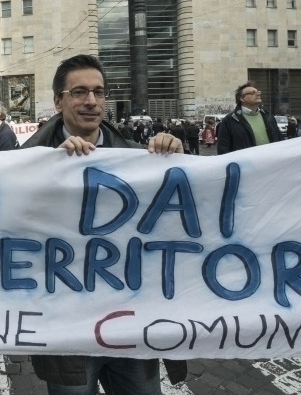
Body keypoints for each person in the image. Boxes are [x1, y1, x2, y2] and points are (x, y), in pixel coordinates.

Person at [21, 54, 187, 395]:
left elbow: (176, 223)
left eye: (98, 92)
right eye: (79, 92)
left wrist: (179, 163)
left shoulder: (140, 157)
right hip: (67, 323)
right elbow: (11, 229)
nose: (91, 101)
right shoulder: (24, 163)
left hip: (132, 318)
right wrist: (52, 169)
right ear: (58, 101)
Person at [216, 82, 284, 154]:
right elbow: (223, 149)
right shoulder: (229, 120)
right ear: (242, 98)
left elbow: (280, 140)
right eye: (252, 93)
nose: (258, 94)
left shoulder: (268, 116)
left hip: (270, 161)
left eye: (258, 92)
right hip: (246, 164)